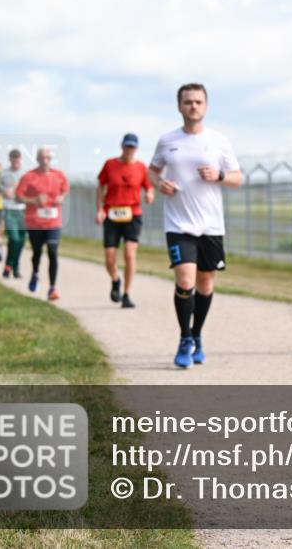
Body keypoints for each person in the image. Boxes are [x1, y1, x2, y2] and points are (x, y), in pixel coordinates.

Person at [149, 83, 242, 368]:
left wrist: (219, 175)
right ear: (179, 106)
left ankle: (197, 335)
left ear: (206, 106)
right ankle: (184, 338)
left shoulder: (219, 141)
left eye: (198, 102)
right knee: (185, 281)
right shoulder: (167, 140)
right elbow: (152, 171)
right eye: (188, 102)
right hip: (178, 224)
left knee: (205, 282)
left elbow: (237, 178)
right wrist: (159, 184)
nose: (193, 106)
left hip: (211, 226)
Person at [96, 133, 154, 308]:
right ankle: (115, 280)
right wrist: (100, 210)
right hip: (112, 214)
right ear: (122, 146)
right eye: (127, 146)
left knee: (130, 254)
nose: (129, 150)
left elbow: (149, 187)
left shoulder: (141, 167)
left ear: (136, 148)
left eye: (132, 147)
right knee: (109, 258)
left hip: (132, 215)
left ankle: (127, 294)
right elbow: (100, 187)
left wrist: (150, 195)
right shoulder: (110, 164)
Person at [16, 148, 69, 301]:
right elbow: (18, 197)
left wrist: (62, 197)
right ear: (38, 159)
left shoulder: (59, 175)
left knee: (52, 251)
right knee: (37, 252)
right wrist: (33, 201)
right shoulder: (29, 177)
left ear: (51, 159)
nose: (45, 161)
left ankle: (52, 288)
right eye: (42, 158)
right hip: (35, 222)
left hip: (53, 221)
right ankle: (35, 273)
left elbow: (65, 190)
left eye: (48, 158)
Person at [0, 149, 28, 278]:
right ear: (10, 159)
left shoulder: (26, 174)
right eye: (13, 159)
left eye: (18, 159)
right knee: (14, 238)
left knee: (21, 240)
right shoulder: (3, 173)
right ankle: (11, 266)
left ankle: (12, 267)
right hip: (9, 208)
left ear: (20, 159)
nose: (16, 161)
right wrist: (4, 192)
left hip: (23, 209)